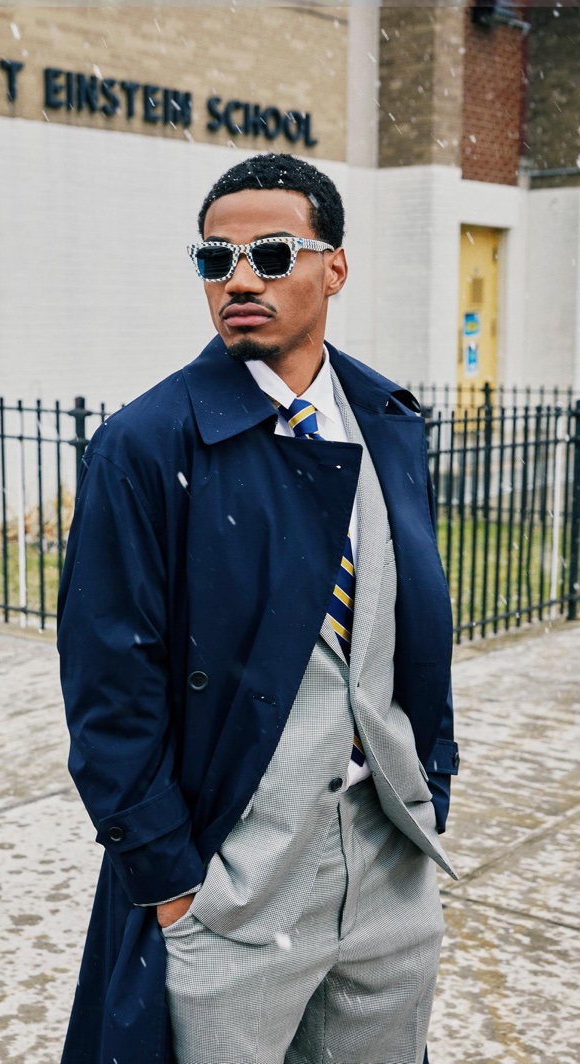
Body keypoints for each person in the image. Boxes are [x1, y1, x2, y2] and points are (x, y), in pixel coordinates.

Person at [57, 152, 459, 1064]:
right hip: (236, 887)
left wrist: (433, 777)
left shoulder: (387, 419)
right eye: (215, 259)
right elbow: (108, 690)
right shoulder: (146, 447)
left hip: (390, 863)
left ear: (335, 268)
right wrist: (172, 887)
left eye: (273, 255)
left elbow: (411, 631)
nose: (240, 278)